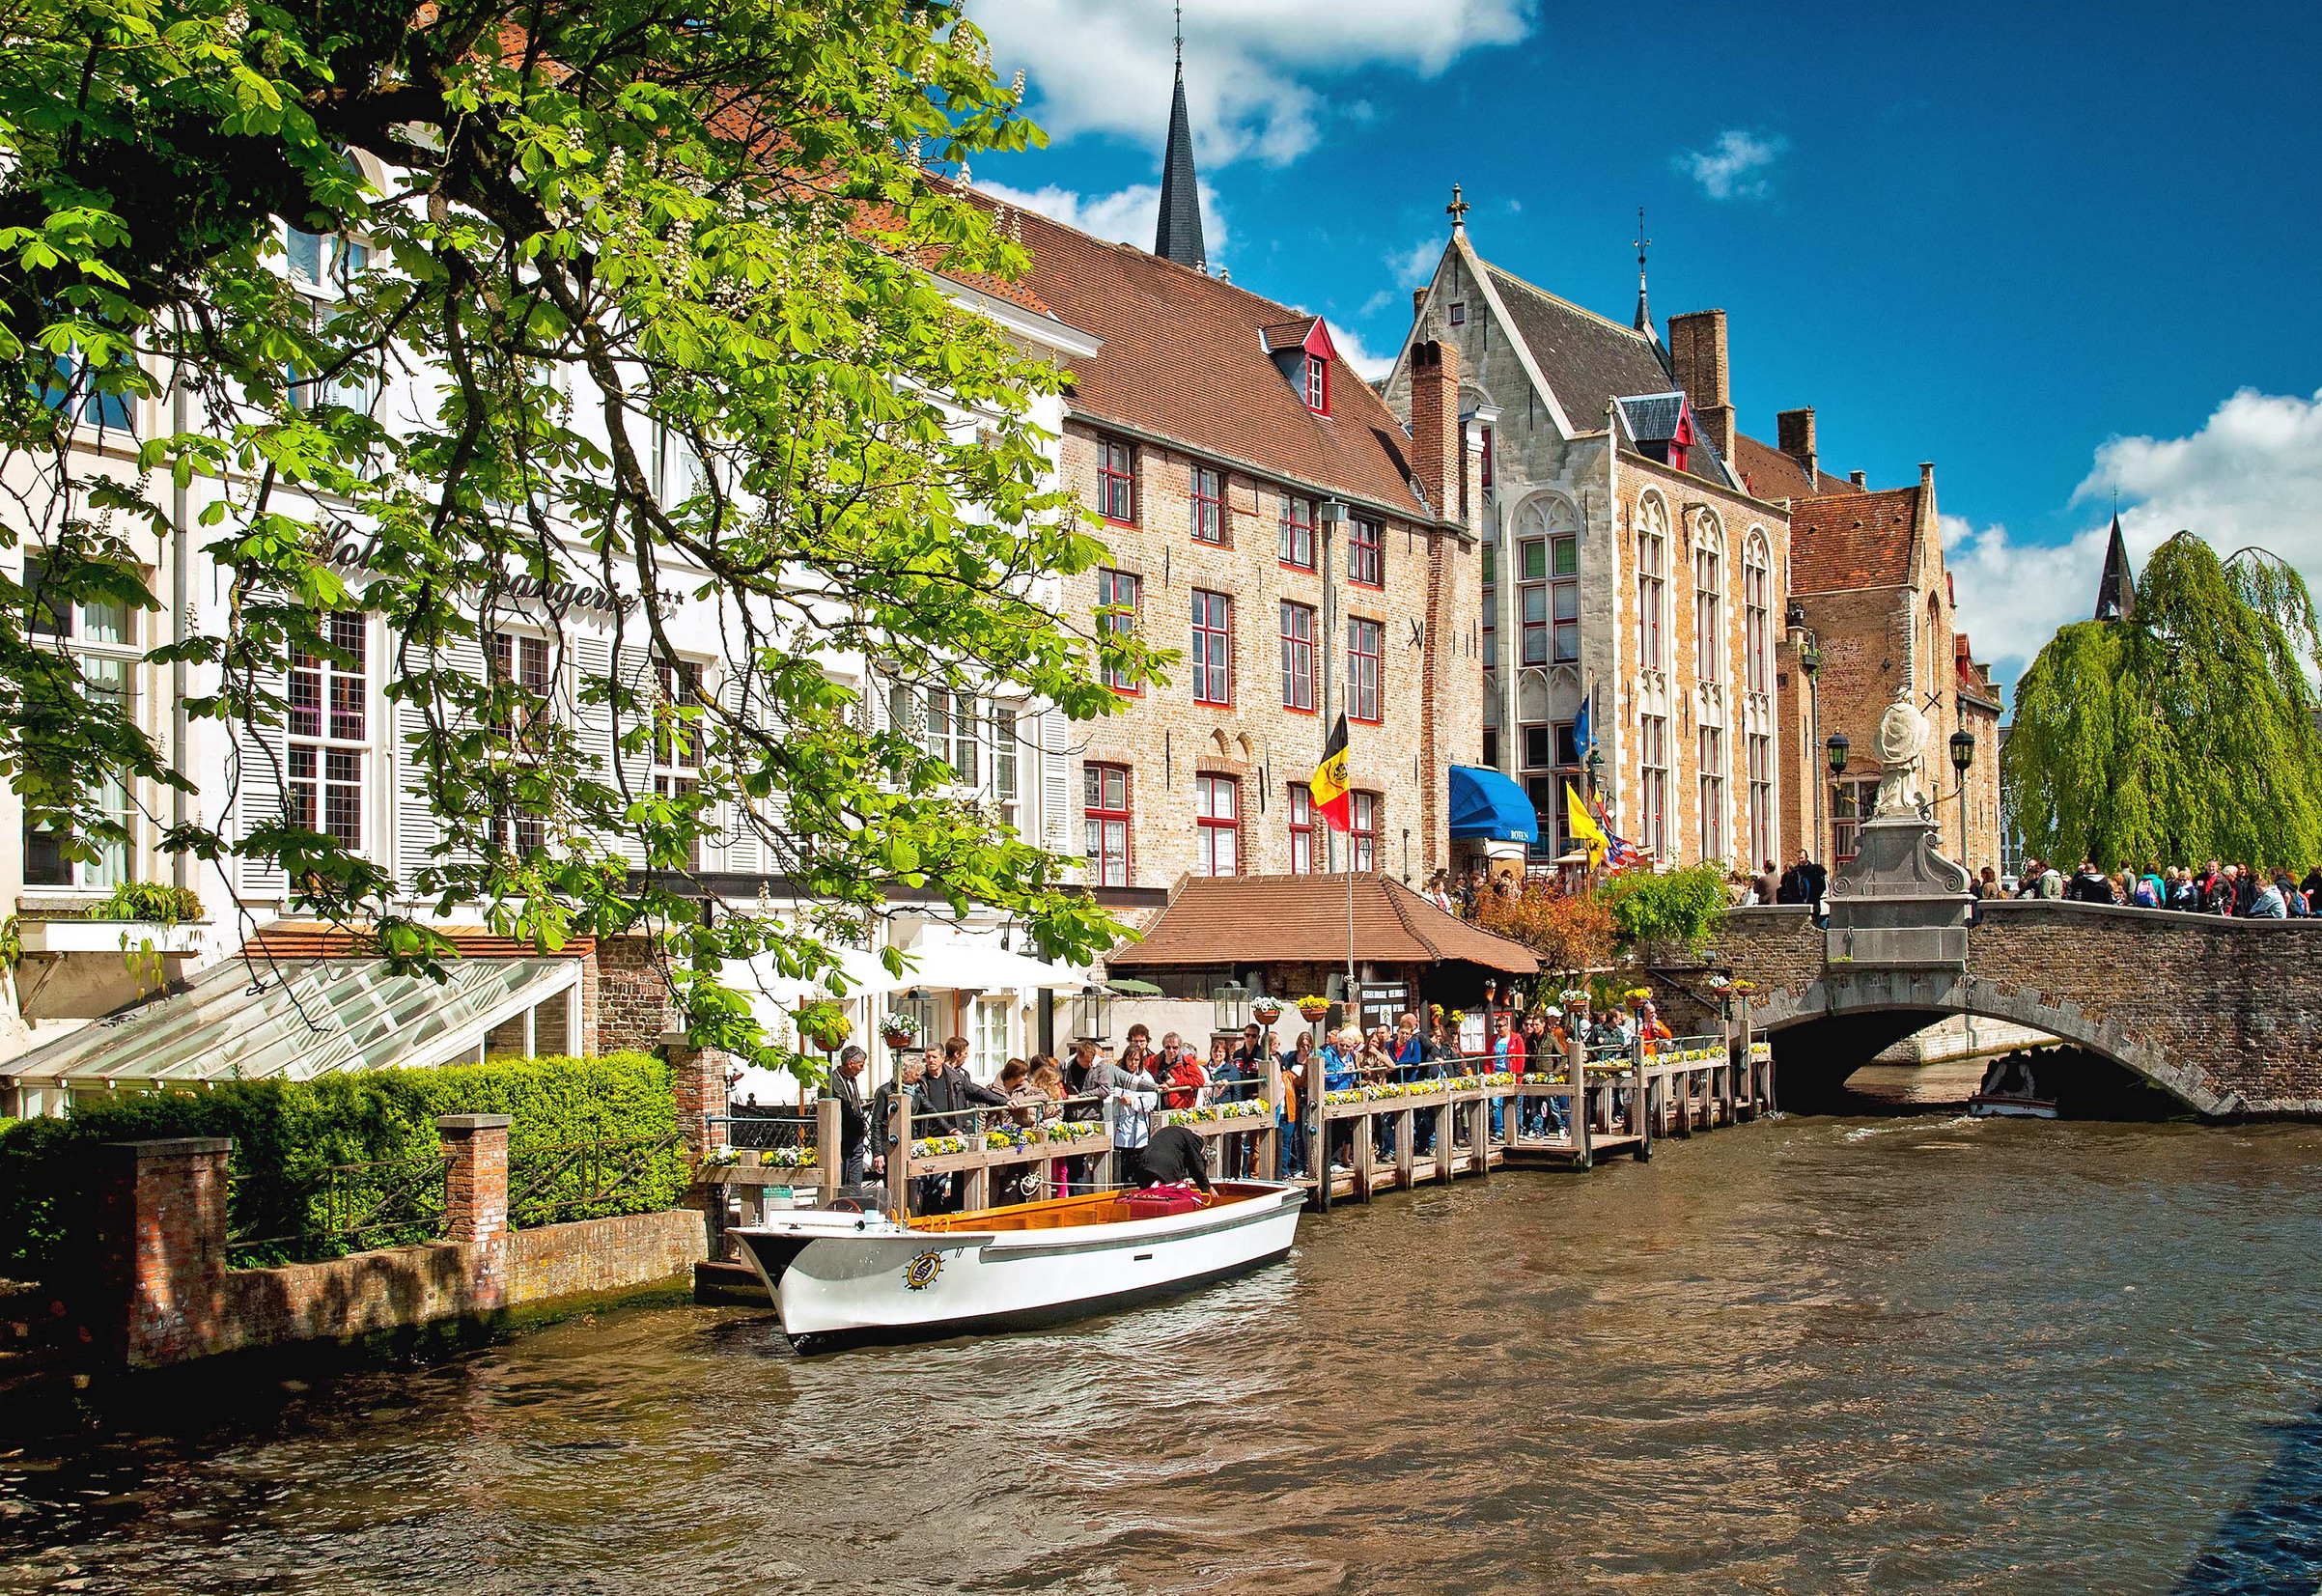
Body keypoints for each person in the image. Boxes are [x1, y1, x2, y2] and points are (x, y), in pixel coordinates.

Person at [867, 1054, 926, 1189]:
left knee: (913, 1184)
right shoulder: (884, 1091)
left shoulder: (917, 1090)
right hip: (890, 1146)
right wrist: (878, 1153)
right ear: (906, 1073)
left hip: (910, 1142)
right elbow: (876, 1123)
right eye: (916, 1073)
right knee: (893, 1184)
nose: (919, 1077)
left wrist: (949, 1128)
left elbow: (931, 1110)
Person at [820, 1045, 871, 1186]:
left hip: (857, 1137)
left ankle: (855, 1201)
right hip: (842, 1138)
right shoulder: (831, 1083)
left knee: (855, 1180)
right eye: (861, 1065)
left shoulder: (852, 1080)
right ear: (850, 1064)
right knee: (841, 1180)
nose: (862, 1069)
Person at [1131, 1122, 1215, 1194]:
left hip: (1144, 1165)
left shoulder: (1175, 1133)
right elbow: (1196, 1167)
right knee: (1171, 1196)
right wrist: (1207, 1188)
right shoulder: (1194, 1140)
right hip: (1165, 1167)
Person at [1277, 1030, 1312, 1179]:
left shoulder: (1314, 1058)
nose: (1305, 1049)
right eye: (1303, 1046)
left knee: (1305, 1133)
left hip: (1307, 1097)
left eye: (1308, 1046)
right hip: (1292, 1098)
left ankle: (1306, 1165)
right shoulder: (1290, 1057)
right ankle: (1297, 1166)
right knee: (1294, 1135)